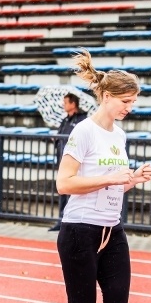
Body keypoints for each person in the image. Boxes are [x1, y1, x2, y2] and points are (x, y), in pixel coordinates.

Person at [0, 48, 151, 303]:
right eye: (126, 101)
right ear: (107, 96)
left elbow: (112, 184)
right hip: (80, 232)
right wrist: (110, 177)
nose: (130, 107)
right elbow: (64, 184)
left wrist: (131, 179)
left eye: (133, 101)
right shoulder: (83, 132)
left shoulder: (119, 136)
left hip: (112, 232)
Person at [49, 93, 88, 232]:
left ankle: (72, 221)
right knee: (63, 190)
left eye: (65, 102)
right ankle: (62, 220)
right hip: (62, 160)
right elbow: (61, 136)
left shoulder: (82, 120)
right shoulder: (65, 120)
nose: (63, 105)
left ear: (73, 104)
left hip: (76, 163)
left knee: (73, 192)